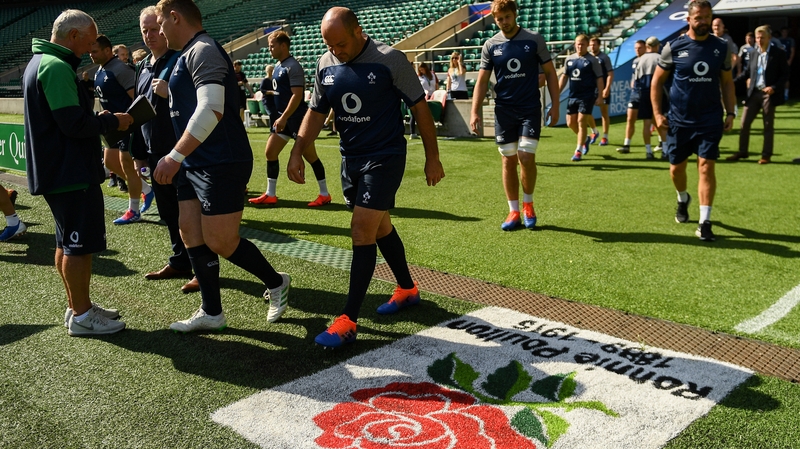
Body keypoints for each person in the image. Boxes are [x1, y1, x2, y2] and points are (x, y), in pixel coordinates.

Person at [285, 6, 444, 348]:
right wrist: (298, 150)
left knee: (361, 228)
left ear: (359, 31)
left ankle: (348, 320)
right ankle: (407, 289)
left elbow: (420, 109)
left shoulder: (391, 59)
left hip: (385, 157)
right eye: (329, 44)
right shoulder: (325, 63)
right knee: (380, 226)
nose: (335, 51)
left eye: (340, 43)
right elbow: (315, 112)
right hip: (350, 159)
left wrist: (433, 157)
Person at [153, 0, 290, 332]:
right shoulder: (185, 54)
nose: (159, 31)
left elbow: (212, 108)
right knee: (190, 231)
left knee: (221, 241)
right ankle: (212, 312)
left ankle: (276, 282)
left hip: (220, 160)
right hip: (194, 160)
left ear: (175, 17)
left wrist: (174, 155)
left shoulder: (203, 49)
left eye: (160, 24)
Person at [23, 9, 133, 335]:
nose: (91, 47)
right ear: (73, 36)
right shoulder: (55, 66)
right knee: (77, 246)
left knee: (65, 243)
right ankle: (83, 316)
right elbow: (74, 124)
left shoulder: (42, 62)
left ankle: (77, 307)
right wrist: (114, 121)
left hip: (60, 169)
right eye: (88, 41)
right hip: (69, 171)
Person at [470, 0, 559, 230]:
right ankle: (513, 211)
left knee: (526, 157)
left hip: (529, 108)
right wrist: (474, 111)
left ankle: (528, 204)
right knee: (508, 160)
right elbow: (481, 80)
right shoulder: (490, 45)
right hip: (504, 111)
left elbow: (550, 73)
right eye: (499, 19)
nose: (504, 22)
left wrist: (556, 105)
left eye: (507, 17)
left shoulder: (534, 39)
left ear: (514, 15)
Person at [652, 0, 735, 242]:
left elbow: (727, 82)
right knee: (676, 169)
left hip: (709, 119)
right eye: (699, 18)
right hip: (679, 120)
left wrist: (730, 112)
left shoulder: (721, 46)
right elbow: (657, 82)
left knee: (706, 167)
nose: (704, 22)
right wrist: (658, 114)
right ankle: (682, 198)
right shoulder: (673, 47)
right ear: (688, 19)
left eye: (707, 17)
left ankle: (705, 221)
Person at [132, 6, 197, 293]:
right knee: (168, 212)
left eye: (154, 28)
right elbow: (136, 113)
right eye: (144, 30)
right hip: (154, 151)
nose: (150, 35)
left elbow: (201, 105)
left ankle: (200, 267)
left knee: (190, 214)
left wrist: (171, 91)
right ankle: (180, 261)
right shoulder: (142, 66)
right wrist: (138, 153)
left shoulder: (181, 59)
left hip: (180, 152)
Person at [248, 30, 331, 208]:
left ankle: (324, 194)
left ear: (283, 46)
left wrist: (284, 117)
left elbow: (297, 95)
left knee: (311, 157)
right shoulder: (279, 66)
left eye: (272, 45)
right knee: (270, 152)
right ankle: (270, 194)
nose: (269, 49)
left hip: (297, 119)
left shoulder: (292, 66)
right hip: (283, 119)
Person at [90, 34, 155, 224]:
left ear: (107, 51)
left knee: (127, 164)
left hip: (128, 124)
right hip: (113, 125)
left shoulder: (121, 69)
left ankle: (133, 210)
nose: (91, 55)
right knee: (110, 162)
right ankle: (146, 189)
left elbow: (137, 98)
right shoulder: (100, 70)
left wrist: (132, 121)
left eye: (95, 51)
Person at [726, 26, 788, 165]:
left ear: (769, 38)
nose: (759, 40)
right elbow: (747, 73)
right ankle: (742, 151)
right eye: (757, 38)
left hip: (768, 94)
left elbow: (785, 74)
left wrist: (774, 87)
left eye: (762, 38)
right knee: (744, 123)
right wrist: (731, 82)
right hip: (753, 93)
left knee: (767, 125)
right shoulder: (754, 53)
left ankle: (766, 155)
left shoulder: (778, 53)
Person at [620, 37, 667, 159]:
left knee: (646, 123)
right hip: (657, 93)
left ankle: (648, 151)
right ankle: (665, 150)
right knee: (660, 120)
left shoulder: (640, 60)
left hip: (643, 93)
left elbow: (635, 80)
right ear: (657, 46)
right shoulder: (660, 58)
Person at [559, 34, 603, 163]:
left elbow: (599, 78)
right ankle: (585, 139)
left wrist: (600, 95)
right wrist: (556, 93)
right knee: (570, 123)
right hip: (573, 95)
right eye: (577, 44)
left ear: (587, 45)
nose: (579, 46)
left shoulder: (592, 60)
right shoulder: (570, 59)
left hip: (587, 96)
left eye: (582, 44)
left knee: (581, 121)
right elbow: (564, 77)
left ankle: (578, 150)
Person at [616, 39, 646, 155]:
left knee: (652, 120)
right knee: (630, 118)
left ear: (645, 48)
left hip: (647, 93)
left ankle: (661, 143)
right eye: (636, 48)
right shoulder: (635, 61)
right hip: (635, 94)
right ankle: (626, 144)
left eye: (640, 48)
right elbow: (634, 75)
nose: (637, 50)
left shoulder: (650, 59)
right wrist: (632, 82)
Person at [586, 36, 614, 146]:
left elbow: (610, 74)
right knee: (586, 112)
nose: (592, 47)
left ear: (599, 45)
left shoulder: (604, 58)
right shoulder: (587, 57)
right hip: (589, 89)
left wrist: (606, 88)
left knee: (604, 113)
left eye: (594, 44)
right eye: (591, 45)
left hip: (601, 88)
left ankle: (605, 137)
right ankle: (594, 131)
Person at [410, 62, 438, 139]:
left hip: (432, 96)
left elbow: (436, 84)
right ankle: (413, 132)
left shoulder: (432, 75)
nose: (422, 71)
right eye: (420, 69)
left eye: (423, 69)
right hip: (423, 97)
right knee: (416, 114)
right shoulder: (418, 77)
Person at [778, 27, 795, 101]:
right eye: (783, 32)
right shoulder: (778, 40)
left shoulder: (790, 40)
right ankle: (779, 94)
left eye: (786, 32)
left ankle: (786, 94)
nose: (784, 33)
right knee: (778, 77)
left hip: (787, 61)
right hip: (779, 62)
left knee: (786, 78)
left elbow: (792, 51)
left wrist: (790, 60)